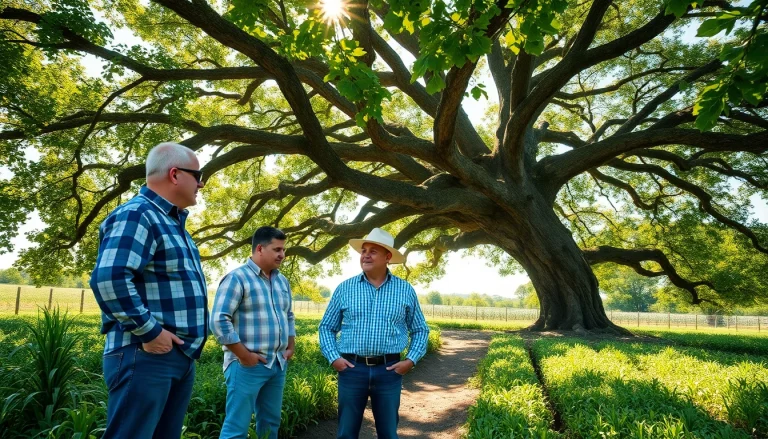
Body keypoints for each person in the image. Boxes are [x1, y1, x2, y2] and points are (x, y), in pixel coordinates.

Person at [90, 142, 208, 439]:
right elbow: (109, 279)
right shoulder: (138, 214)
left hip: (174, 356)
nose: (201, 183)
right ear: (174, 174)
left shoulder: (173, 223)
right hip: (144, 354)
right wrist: (150, 332)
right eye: (197, 175)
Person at [318, 227, 430, 439]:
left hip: (389, 371)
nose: (366, 255)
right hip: (351, 370)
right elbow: (326, 327)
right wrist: (334, 358)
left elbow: (420, 329)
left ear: (388, 257)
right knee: (346, 434)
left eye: (373, 251)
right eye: (363, 251)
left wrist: (410, 361)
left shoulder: (405, 290)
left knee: (388, 434)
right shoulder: (345, 288)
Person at [210, 226, 296, 439]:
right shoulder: (237, 278)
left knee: (270, 424)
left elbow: (289, 315)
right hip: (246, 366)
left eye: (283, 249)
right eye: (277, 249)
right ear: (259, 248)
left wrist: (290, 345)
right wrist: (244, 356)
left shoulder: (282, 281)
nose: (282, 255)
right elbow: (218, 320)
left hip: (277, 364)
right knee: (236, 429)